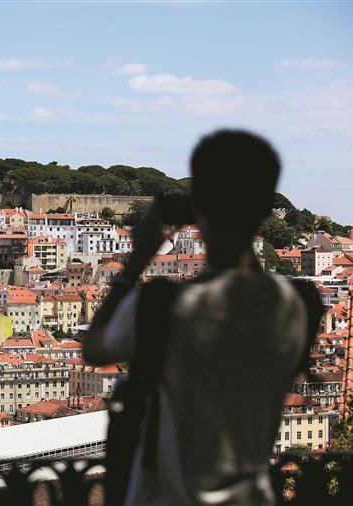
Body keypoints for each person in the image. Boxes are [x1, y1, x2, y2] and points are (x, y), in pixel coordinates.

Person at [84, 130, 320, 505]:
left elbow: (94, 349)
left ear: (201, 206)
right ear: (265, 208)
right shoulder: (298, 305)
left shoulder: (167, 305)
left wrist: (136, 261)